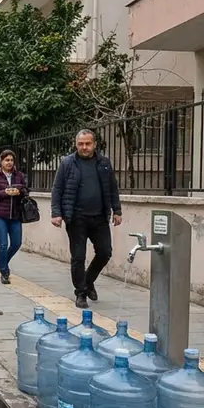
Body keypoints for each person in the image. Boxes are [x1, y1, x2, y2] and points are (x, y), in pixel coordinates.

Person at [50, 129, 123, 309]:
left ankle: (88, 280)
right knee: (78, 257)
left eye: (88, 143)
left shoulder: (104, 163)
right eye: (81, 144)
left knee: (105, 252)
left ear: (94, 144)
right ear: (76, 145)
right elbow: (57, 189)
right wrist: (56, 213)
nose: (84, 147)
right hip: (76, 218)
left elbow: (112, 188)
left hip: (99, 217)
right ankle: (81, 293)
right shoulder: (67, 163)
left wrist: (117, 210)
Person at [0, 150, 28, 284]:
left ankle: (3, 262)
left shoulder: (19, 175)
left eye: (11, 160)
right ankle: (4, 271)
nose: (9, 163)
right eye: (6, 160)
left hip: (15, 215)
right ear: (1, 161)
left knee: (16, 243)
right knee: (3, 244)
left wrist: (19, 191)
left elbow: (26, 190)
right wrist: (4, 192)